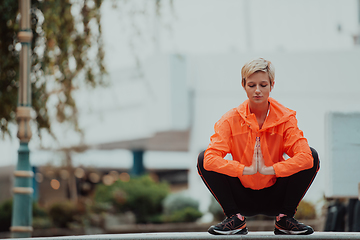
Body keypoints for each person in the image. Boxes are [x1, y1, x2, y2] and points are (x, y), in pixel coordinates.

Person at [197, 58, 320, 235]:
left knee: (312, 155)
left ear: (272, 85)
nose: (257, 91)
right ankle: (235, 219)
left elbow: (306, 158)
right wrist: (244, 170)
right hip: (241, 195)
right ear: (243, 85)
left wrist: (270, 169)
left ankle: (285, 219)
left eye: (263, 85)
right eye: (252, 85)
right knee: (203, 158)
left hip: (275, 195)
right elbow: (209, 160)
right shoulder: (230, 120)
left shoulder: (285, 119)